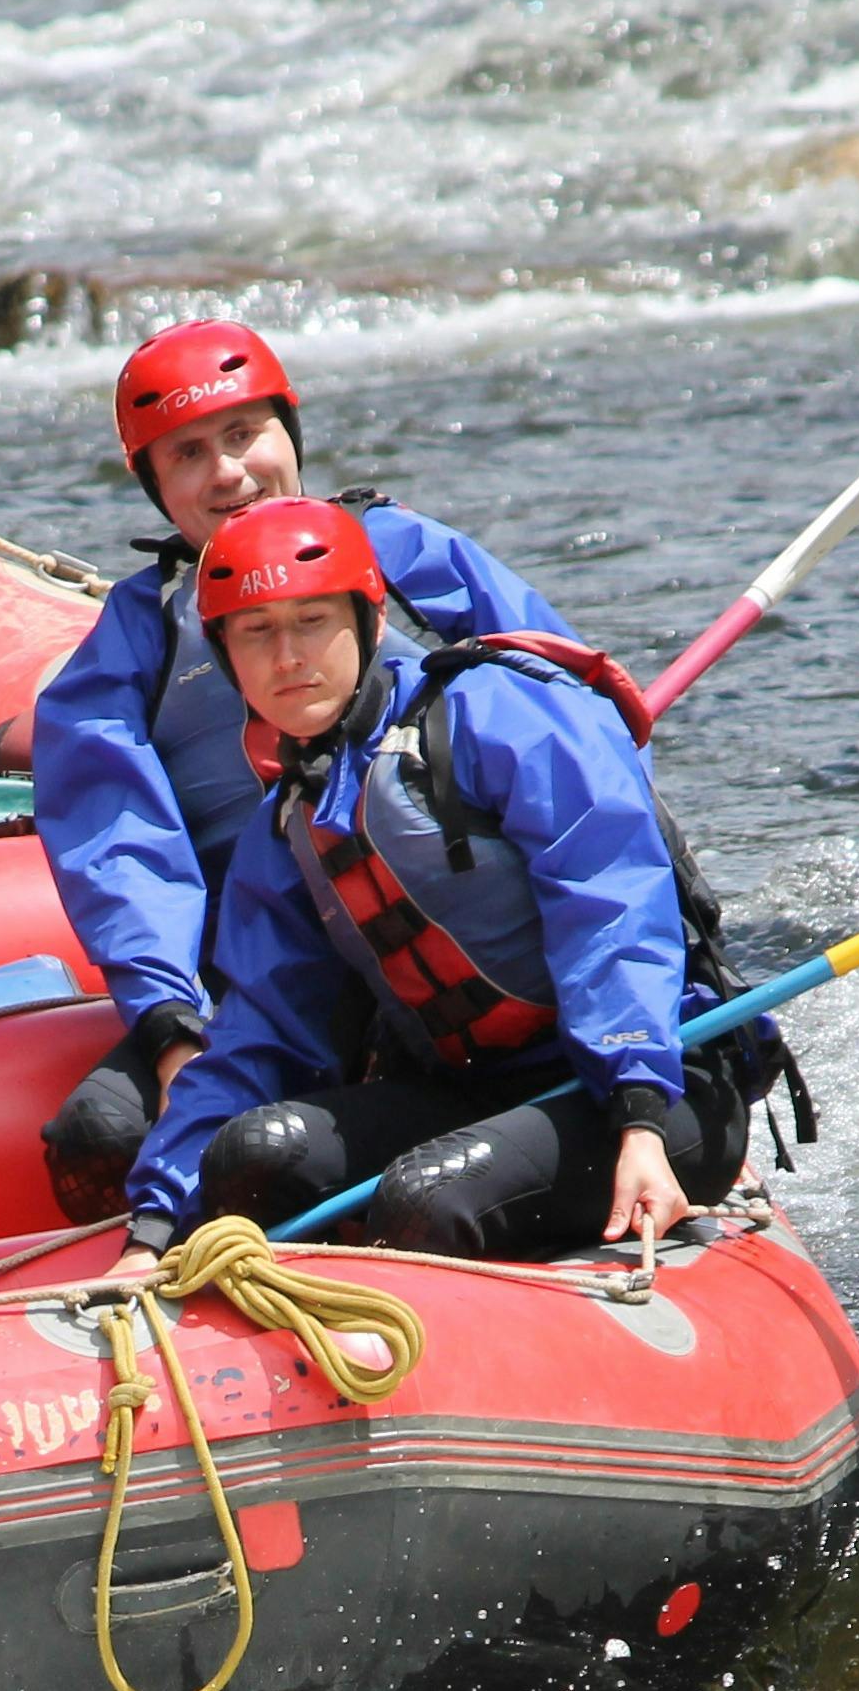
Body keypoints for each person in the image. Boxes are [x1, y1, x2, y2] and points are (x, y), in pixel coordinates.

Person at [31, 319, 581, 1220]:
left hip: (450, 946)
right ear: (155, 483)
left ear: (288, 434)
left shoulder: (400, 555)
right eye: (188, 454)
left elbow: (571, 727)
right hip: (260, 976)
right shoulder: (138, 636)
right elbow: (118, 847)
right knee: (103, 1136)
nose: (227, 474)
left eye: (243, 435)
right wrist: (173, 1029)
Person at [121, 498, 758, 1267]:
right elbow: (258, 1033)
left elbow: (611, 911)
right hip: (478, 1093)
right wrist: (155, 1226)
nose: (287, 657)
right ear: (226, 655)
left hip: (660, 1085)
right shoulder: (288, 825)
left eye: (312, 622)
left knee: (423, 1199)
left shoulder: (497, 713)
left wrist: (642, 1121)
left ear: (368, 623)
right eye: (256, 632)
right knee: (249, 1155)